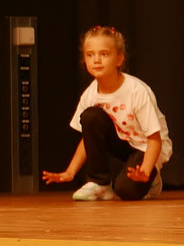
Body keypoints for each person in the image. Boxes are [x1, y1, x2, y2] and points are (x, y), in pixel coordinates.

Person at [41, 26, 171, 200]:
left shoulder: (136, 91)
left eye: (104, 54)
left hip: (147, 147)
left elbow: (155, 139)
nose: (96, 60)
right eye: (90, 55)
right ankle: (99, 183)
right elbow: (87, 137)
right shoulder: (90, 94)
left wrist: (146, 171)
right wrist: (70, 172)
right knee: (90, 116)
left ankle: (152, 180)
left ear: (119, 59)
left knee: (126, 191)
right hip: (122, 142)